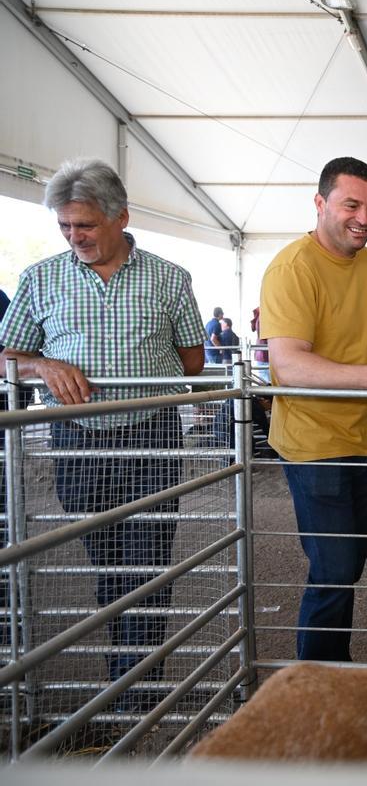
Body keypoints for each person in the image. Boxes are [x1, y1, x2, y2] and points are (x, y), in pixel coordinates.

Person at [0, 158, 205, 699]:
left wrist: (142, 379)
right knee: (107, 559)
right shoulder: (40, 278)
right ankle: (125, 664)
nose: (75, 237)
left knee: (148, 559)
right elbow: (7, 355)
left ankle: (134, 683)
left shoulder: (170, 277)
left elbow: (191, 357)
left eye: (85, 225)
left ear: (120, 217)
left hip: (151, 432)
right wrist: (41, 366)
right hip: (78, 439)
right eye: (65, 226)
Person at [259, 156, 367, 661]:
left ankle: (334, 668)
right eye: (351, 204)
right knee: (333, 570)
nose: (364, 218)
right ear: (320, 203)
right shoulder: (292, 268)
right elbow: (288, 365)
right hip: (314, 445)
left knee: (352, 563)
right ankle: (318, 678)